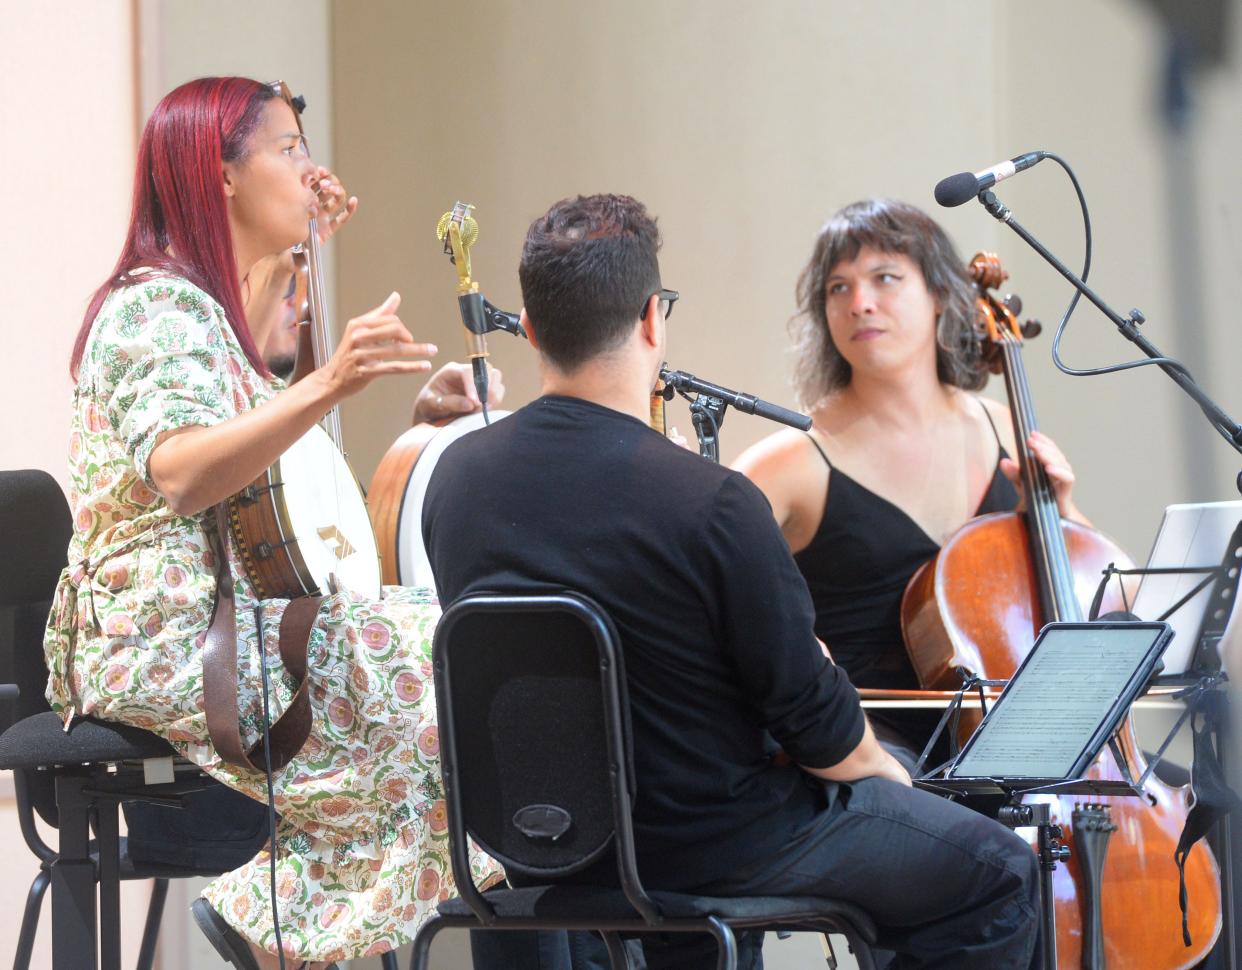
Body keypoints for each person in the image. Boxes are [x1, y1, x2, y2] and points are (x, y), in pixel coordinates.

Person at [423, 193, 1041, 969]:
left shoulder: (456, 480)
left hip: (538, 844)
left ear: (535, 328)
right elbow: (818, 727)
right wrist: (889, 777)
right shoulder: (708, 501)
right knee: (998, 872)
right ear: (653, 319)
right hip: (711, 846)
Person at [44, 76, 501, 970]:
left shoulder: (205, 312)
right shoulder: (153, 306)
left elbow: (270, 456)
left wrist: (306, 257)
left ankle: (282, 915)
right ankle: (270, 910)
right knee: (448, 654)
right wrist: (333, 380)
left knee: (458, 650)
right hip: (162, 636)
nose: (311, 167)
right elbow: (180, 472)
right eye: (288, 148)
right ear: (219, 173)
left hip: (232, 623)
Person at [733, 198, 1088, 768]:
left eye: (885, 278)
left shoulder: (1004, 426)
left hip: (1017, 739)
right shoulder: (791, 462)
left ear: (941, 295)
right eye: (838, 288)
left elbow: (1106, 598)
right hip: (874, 760)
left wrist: (1062, 515)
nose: (860, 303)